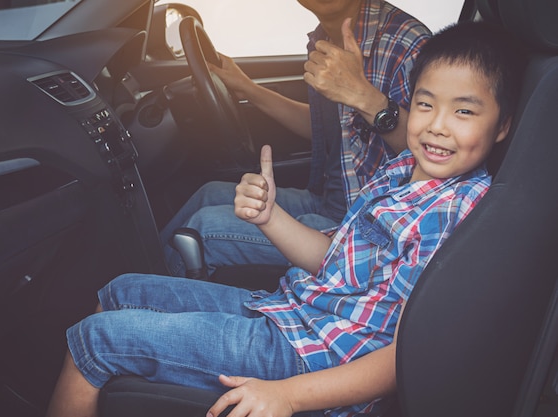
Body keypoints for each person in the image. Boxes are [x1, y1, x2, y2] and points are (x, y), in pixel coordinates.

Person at [45, 20, 523, 417]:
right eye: (424, 104)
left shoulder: (453, 214)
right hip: (292, 313)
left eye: (463, 111)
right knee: (122, 290)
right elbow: (332, 261)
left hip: (309, 358)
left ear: (502, 126)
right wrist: (270, 217)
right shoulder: (402, 171)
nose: (437, 124)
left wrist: (287, 396)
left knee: (94, 341)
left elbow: (406, 356)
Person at [161, 0, 431, 277]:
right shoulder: (323, 40)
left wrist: (365, 97)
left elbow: (432, 156)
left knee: (202, 229)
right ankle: (145, 270)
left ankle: (143, 297)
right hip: (331, 199)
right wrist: (247, 88)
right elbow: (328, 128)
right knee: (209, 193)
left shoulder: (408, 46)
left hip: (365, 226)